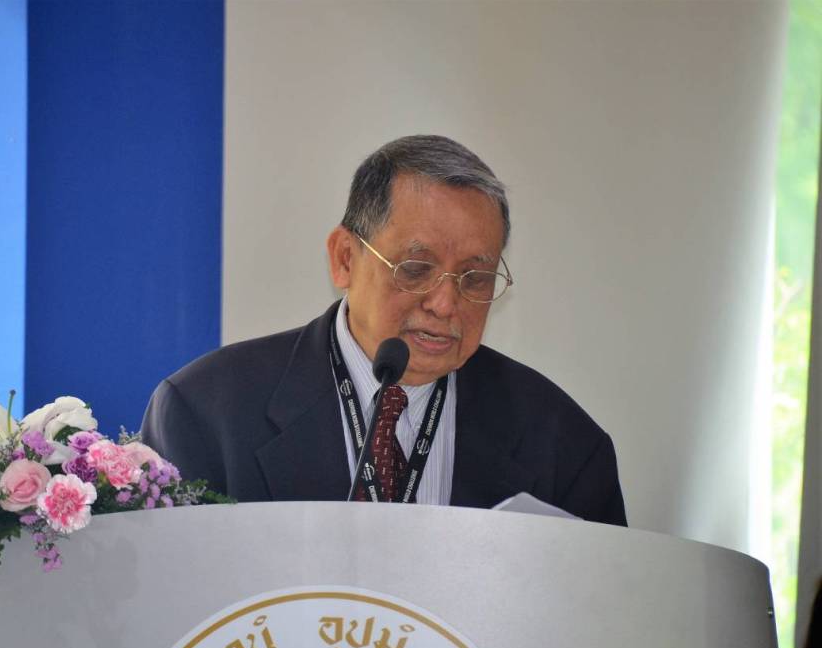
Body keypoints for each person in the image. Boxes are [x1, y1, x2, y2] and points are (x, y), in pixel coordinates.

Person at [141, 135, 626, 525]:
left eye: (475, 278)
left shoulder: (563, 443)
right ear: (345, 259)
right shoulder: (205, 412)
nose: (444, 304)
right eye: (415, 269)